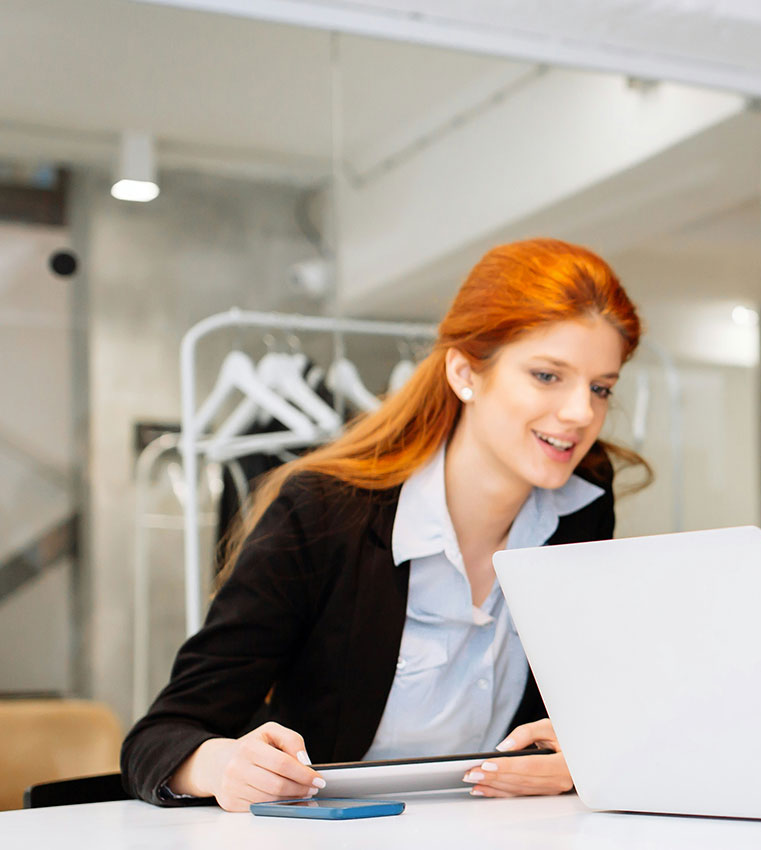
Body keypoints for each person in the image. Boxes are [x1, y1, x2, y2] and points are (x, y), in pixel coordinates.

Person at [121, 238, 647, 811]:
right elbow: (160, 738)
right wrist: (222, 765)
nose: (580, 413)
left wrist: (575, 759)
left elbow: (584, 706)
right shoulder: (323, 512)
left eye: (601, 388)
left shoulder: (584, 502)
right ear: (465, 372)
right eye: (548, 376)